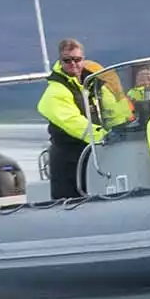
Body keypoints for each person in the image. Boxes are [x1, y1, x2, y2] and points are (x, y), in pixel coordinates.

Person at [37, 37, 107, 199]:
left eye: (77, 59)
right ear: (60, 62)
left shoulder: (92, 84)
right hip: (68, 156)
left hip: (91, 152)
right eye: (67, 60)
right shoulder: (55, 92)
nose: (73, 64)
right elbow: (74, 123)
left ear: (83, 60)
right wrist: (104, 136)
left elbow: (111, 110)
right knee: (69, 198)